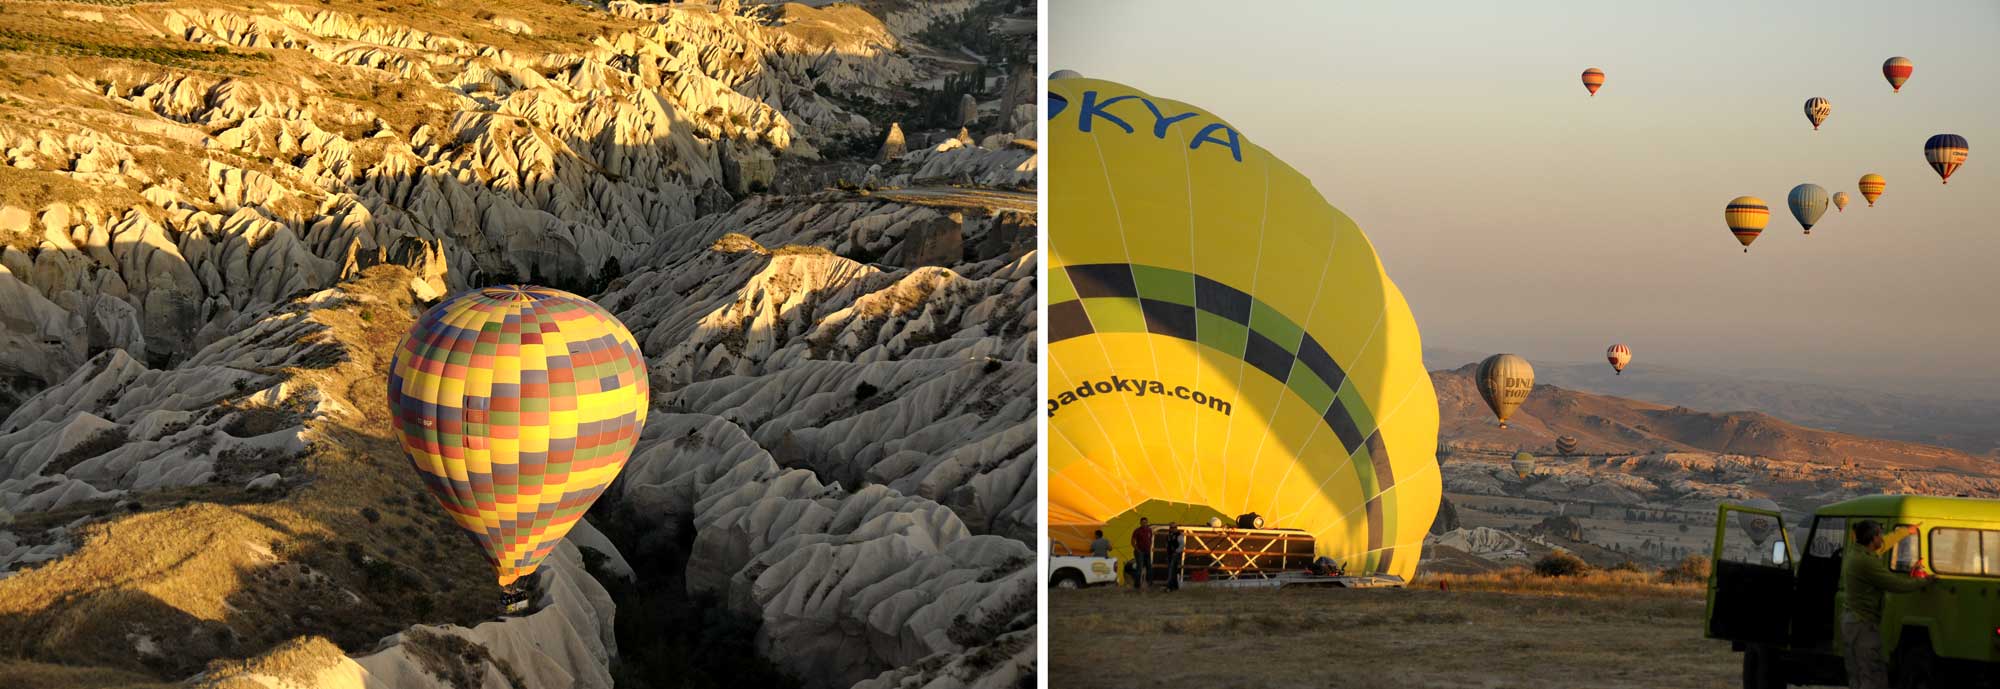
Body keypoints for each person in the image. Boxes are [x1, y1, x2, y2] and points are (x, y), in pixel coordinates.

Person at [1840, 520, 1932, 689]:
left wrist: (1904, 532)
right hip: (1863, 625)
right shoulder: (1866, 562)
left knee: (1858, 675)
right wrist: (1923, 581)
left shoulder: (1857, 553)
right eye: (1879, 535)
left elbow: (1884, 544)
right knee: (1871, 675)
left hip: (1854, 622)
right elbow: (1895, 584)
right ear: (1872, 538)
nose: (1881, 538)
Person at [1129, 518, 1153, 591]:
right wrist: (1138, 550)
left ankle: (1149, 582)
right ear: (1140, 523)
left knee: (1149, 567)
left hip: (1147, 551)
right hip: (1140, 552)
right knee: (1139, 568)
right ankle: (1137, 585)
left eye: (1145, 522)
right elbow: (1132, 542)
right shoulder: (1137, 531)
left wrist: (1150, 547)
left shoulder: (1149, 530)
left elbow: (1150, 539)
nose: (1144, 524)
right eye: (1143, 522)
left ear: (1147, 522)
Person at [1163, 523, 1186, 591]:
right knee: (1173, 570)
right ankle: (1175, 586)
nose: (1173, 529)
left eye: (1174, 527)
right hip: (1170, 554)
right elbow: (1167, 544)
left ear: (1176, 528)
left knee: (1171, 570)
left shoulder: (1179, 535)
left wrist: (1176, 551)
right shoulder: (1169, 535)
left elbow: (1182, 545)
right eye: (1171, 527)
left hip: (1175, 554)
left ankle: (1169, 586)